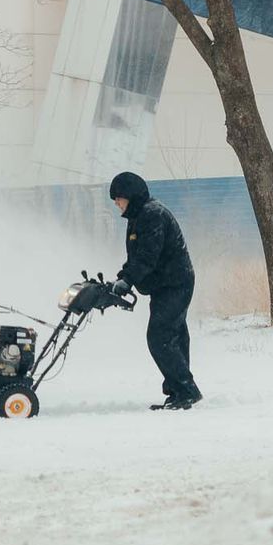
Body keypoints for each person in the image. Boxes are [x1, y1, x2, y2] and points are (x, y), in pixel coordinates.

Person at [108, 171, 202, 410]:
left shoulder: (152, 215)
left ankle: (186, 390)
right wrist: (123, 277)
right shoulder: (139, 215)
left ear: (130, 195)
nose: (116, 203)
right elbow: (138, 256)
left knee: (160, 337)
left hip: (175, 283)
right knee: (174, 335)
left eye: (118, 198)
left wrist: (128, 280)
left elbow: (148, 256)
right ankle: (178, 391)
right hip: (165, 284)